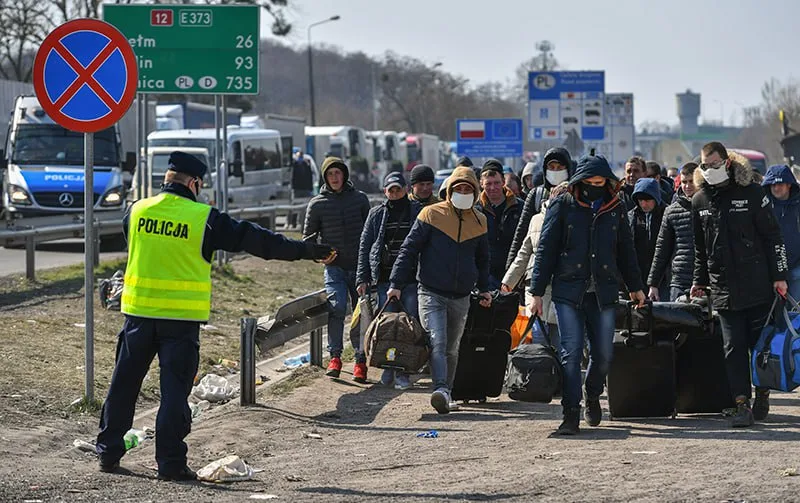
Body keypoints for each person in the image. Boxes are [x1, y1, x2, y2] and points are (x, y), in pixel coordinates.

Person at [96, 152, 335, 480]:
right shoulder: (203, 218)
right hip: (179, 322)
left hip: (137, 316)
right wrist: (305, 251)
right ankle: (170, 464)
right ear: (194, 183)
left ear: (167, 179)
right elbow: (257, 241)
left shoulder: (136, 210)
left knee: (123, 386)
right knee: (173, 394)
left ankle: (108, 453)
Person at [530, 154, 645, 435]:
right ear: (581, 181)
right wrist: (536, 292)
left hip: (603, 291)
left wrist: (636, 286)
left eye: (601, 182)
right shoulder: (563, 204)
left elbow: (626, 251)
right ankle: (571, 413)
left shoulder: (615, 207)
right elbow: (545, 250)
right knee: (570, 353)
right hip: (568, 289)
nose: (596, 186)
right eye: (591, 182)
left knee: (604, 353)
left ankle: (592, 393)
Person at [691, 142, 788, 427]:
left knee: (759, 346)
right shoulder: (699, 201)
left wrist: (779, 276)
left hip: (757, 285)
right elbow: (700, 249)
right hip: (723, 289)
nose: (710, 171)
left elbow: (773, 237)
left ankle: (762, 392)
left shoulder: (753, 194)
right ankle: (740, 404)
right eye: (705, 166)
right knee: (733, 348)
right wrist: (699, 281)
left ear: (728, 163)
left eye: (715, 164)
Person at [388, 166, 491, 414]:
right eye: (459, 188)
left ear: (476, 192)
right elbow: (409, 251)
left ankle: (448, 391)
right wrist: (396, 284)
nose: (463, 192)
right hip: (431, 291)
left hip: (462, 296)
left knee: (452, 347)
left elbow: (483, 259)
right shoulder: (430, 214)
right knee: (437, 340)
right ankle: (441, 389)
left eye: (468, 189)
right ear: (450, 190)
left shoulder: (480, 221)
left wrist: (485, 288)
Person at [304, 157, 371, 382]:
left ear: (344, 175)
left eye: (337, 173)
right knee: (337, 308)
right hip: (334, 269)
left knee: (361, 314)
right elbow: (308, 239)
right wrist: (320, 255)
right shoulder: (317, 204)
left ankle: (360, 360)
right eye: (330, 174)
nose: (334, 177)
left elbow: (370, 233)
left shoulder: (360, 199)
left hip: (360, 268)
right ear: (325, 177)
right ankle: (335, 357)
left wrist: (369, 261)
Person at [356, 172, 421, 390]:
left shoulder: (417, 212)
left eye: (398, 189)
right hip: (383, 279)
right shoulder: (376, 214)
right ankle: (388, 366)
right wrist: (362, 277)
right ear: (385, 191)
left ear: (406, 190)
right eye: (390, 190)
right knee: (386, 326)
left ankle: (404, 371)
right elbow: (365, 246)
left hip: (410, 280)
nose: (394, 194)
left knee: (408, 327)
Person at [502, 182, 570, 345]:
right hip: (534, 286)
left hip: (561, 286)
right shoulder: (536, 219)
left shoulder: (573, 222)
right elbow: (524, 253)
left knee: (560, 340)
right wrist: (508, 282)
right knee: (538, 340)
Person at [507, 148, 573, 271]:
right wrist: (510, 268)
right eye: (552, 167)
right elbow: (521, 233)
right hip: (538, 265)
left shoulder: (577, 194)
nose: (555, 171)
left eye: (560, 168)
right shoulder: (536, 194)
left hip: (569, 268)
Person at [648, 162, 698, 301]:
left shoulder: (710, 207)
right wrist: (653, 284)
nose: (687, 186)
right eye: (684, 182)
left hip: (705, 281)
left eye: (691, 181)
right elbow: (662, 249)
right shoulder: (671, 211)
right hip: (679, 280)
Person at [475, 159, 523, 289]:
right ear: (481, 184)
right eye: (488, 183)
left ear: (503, 181)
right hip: (485, 275)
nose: (492, 188)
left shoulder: (520, 207)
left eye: (496, 183)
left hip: (514, 274)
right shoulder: (474, 210)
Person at [762, 164, 800, 300]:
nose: (776, 188)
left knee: (796, 312)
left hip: (796, 267)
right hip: (770, 270)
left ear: (789, 184)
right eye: (772, 185)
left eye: (780, 184)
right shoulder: (762, 206)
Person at [628, 177, 667, 298]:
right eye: (640, 200)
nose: (643, 204)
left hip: (664, 277)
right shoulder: (631, 217)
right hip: (638, 277)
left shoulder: (667, 214)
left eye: (648, 199)